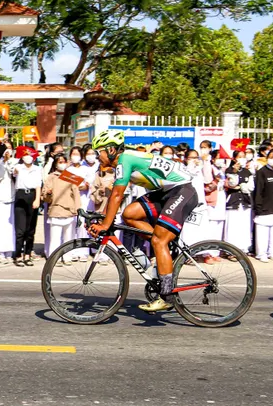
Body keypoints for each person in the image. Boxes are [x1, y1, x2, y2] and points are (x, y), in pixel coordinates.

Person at [88, 130, 198, 313]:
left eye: (98, 151)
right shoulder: (123, 161)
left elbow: (116, 196)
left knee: (159, 241)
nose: (96, 156)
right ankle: (162, 247)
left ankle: (166, 296)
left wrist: (105, 225)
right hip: (165, 193)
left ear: (111, 150)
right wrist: (102, 217)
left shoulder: (125, 160)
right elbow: (116, 194)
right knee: (130, 214)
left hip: (182, 191)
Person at [41, 154, 81, 263]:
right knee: (55, 238)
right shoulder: (51, 177)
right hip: (55, 210)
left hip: (69, 210)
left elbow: (76, 193)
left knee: (68, 237)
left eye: (63, 161)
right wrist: (48, 193)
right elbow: (44, 196)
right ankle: (54, 258)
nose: (62, 164)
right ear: (55, 164)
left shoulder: (71, 176)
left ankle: (67, 257)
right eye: (59, 162)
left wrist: (78, 209)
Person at [12, 145, 42, 266]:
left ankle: (28, 254)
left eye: (30, 155)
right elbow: (13, 171)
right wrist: (15, 168)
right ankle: (18, 254)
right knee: (20, 230)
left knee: (30, 229)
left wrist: (37, 199)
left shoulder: (37, 169)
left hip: (32, 196)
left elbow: (38, 184)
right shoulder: (18, 167)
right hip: (20, 196)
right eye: (25, 155)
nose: (28, 157)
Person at [252, 149, 273, 263]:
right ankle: (261, 253)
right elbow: (258, 191)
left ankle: (272, 252)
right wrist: (258, 206)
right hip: (264, 206)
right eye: (271, 157)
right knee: (262, 233)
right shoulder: (262, 172)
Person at [0, 145, 17, 263]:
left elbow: (16, 175)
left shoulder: (15, 162)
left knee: (9, 227)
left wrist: (10, 163)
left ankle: (9, 251)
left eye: (9, 148)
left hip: (11, 197)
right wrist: (3, 162)